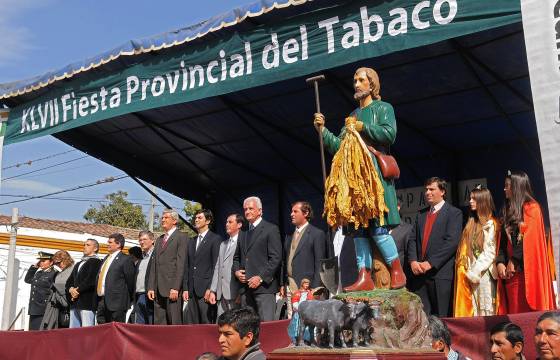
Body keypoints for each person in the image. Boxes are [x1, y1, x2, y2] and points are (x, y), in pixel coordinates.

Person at [313, 67, 406, 291]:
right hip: (355, 182)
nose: (356, 84)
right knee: (358, 230)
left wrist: (363, 127)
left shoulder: (384, 108)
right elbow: (338, 147)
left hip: (375, 178)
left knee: (378, 228)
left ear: (372, 84)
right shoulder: (352, 116)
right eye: (354, 80)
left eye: (361, 80)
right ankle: (364, 275)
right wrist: (323, 131)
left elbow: (389, 133)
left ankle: (397, 270)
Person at [496, 170, 556, 313]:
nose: (504, 189)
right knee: (515, 317)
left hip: (527, 274)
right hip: (511, 276)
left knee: (529, 317)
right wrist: (499, 262)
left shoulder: (532, 208)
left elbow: (530, 240)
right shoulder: (507, 211)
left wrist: (514, 260)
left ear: (517, 187)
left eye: (507, 186)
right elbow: (502, 242)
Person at [407, 177, 463, 317]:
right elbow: (412, 239)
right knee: (422, 317)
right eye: (426, 189)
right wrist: (413, 261)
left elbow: (451, 243)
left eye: (432, 189)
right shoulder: (421, 215)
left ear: (442, 191)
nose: (427, 192)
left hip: (440, 275)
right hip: (420, 276)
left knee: (441, 317)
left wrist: (431, 263)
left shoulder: (453, 213)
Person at [233, 196, 282, 321]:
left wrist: (260, 277)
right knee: (247, 325)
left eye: (251, 208)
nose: (247, 212)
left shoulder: (271, 229)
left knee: (266, 326)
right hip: (245, 289)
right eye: (245, 209)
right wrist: (237, 271)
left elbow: (276, 258)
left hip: (264, 288)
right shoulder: (243, 232)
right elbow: (236, 257)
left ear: (260, 211)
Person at [454, 186, 500, 317]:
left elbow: (490, 253)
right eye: (470, 198)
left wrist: (475, 271)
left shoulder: (492, 224)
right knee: (475, 312)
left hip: (485, 275)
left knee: (487, 311)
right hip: (472, 275)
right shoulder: (471, 224)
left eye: (474, 198)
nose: (470, 201)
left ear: (483, 201)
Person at [282, 201, 326, 318]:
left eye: (295, 211)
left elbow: (319, 263)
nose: (291, 214)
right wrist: (283, 284)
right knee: (293, 320)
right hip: (291, 286)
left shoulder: (317, 234)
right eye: (291, 211)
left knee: (311, 320)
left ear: (306, 213)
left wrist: (316, 289)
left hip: (308, 287)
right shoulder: (289, 236)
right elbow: (284, 261)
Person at [147, 209, 188, 325]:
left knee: (174, 322)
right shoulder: (159, 239)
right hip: (157, 289)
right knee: (159, 324)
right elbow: (155, 265)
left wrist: (176, 287)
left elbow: (181, 264)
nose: (163, 220)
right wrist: (151, 287)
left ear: (174, 221)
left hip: (172, 289)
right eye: (162, 217)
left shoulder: (182, 237)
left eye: (166, 217)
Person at [184, 209, 221, 324]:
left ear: (208, 220)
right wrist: (185, 288)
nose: (196, 220)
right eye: (195, 217)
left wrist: (211, 288)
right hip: (191, 291)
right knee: (191, 324)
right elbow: (187, 266)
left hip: (205, 290)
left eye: (200, 218)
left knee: (206, 323)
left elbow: (216, 266)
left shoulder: (215, 239)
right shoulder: (192, 241)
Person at [209, 214, 243, 318]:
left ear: (239, 224)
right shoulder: (223, 244)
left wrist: (241, 293)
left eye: (230, 222)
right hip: (221, 293)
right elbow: (218, 268)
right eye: (226, 222)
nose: (226, 224)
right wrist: (213, 290)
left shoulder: (244, 241)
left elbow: (245, 268)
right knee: (221, 324)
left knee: (235, 325)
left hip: (235, 293)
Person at [96, 233, 135, 323]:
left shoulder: (126, 259)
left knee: (116, 330)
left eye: (110, 242)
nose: (107, 244)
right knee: (102, 328)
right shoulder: (106, 258)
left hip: (117, 303)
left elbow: (131, 281)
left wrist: (128, 300)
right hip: (102, 301)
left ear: (118, 244)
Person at [67, 238, 102, 328]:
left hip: (87, 302)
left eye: (88, 245)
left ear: (95, 248)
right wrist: (71, 289)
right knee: (73, 331)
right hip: (75, 302)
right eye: (84, 245)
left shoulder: (96, 262)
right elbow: (70, 280)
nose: (85, 247)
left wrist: (76, 291)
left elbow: (90, 280)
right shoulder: (79, 263)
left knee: (87, 330)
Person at [40, 250, 75, 330]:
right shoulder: (59, 273)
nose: (58, 265)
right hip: (57, 306)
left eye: (59, 262)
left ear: (66, 259)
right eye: (56, 263)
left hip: (68, 306)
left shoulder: (73, 270)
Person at [24, 251, 56, 330]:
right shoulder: (39, 273)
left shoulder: (54, 273)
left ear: (51, 262)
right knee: (33, 332)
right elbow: (27, 280)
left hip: (43, 308)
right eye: (40, 261)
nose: (41, 263)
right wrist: (34, 267)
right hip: (34, 307)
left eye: (43, 261)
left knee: (40, 333)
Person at [134, 230, 154, 324]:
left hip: (149, 295)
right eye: (140, 240)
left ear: (152, 240)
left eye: (145, 239)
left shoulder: (156, 255)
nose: (142, 242)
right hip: (139, 295)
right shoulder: (141, 258)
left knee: (151, 325)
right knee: (140, 326)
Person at [287, 278, 315, 345]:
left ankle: (307, 339)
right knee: (296, 325)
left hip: (307, 313)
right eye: (305, 284)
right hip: (299, 312)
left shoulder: (309, 293)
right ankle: (295, 340)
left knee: (308, 327)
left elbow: (311, 302)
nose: (307, 285)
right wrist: (299, 308)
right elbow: (295, 302)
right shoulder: (297, 293)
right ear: (302, 284)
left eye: (308, 284)